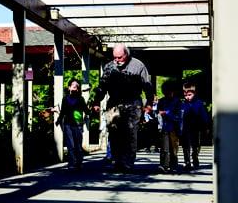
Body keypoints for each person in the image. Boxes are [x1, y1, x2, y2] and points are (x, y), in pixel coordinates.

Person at [92, 43, 154, 173]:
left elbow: (147, 86)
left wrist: (149, 103)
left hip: (132, 104)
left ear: (126, 54)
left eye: (119, 57)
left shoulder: (138, 66)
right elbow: (102, 86)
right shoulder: (109, 67)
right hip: (114, 104)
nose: (117, 60)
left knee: (130, 134)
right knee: (114, 134)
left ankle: (128, 163)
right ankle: (117, 161)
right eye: (115, 57)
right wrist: (96, 101)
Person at [56, 78, 90, 170]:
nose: (75, 87)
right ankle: (71, 163)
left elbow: (86, 110)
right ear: (69, 87)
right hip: (68, 124)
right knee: (70, 145)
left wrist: (91, 111)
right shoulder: (65, 99)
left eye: (77, 86)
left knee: (78, 145)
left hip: (78, 124)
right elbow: (62, 111)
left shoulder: (80, 99)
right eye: (73, 85)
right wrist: (59, 119)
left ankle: (79, 162)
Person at [181, 82, 210, 171]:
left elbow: (204, 115)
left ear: (194, 93)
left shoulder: (199, 103)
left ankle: (195, 156)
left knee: (196, 144)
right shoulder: (182, 104)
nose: (187, 97)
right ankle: (187, 162)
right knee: (185, 145)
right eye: (186, 95)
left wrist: (206, 126)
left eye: (189, 95)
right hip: (185, 127)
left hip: (196, 127)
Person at [156, 80, 183, 173]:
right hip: (164, 127)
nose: (168, 94)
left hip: (174, 128)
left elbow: (179, 116)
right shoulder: (161, 101)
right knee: (164, 148)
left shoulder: (178, 102)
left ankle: (173, 165)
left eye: (170, 92)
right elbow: (157, 113)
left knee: (174, 147)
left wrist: (166, 113)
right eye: (166, 92)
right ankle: (164, 165)